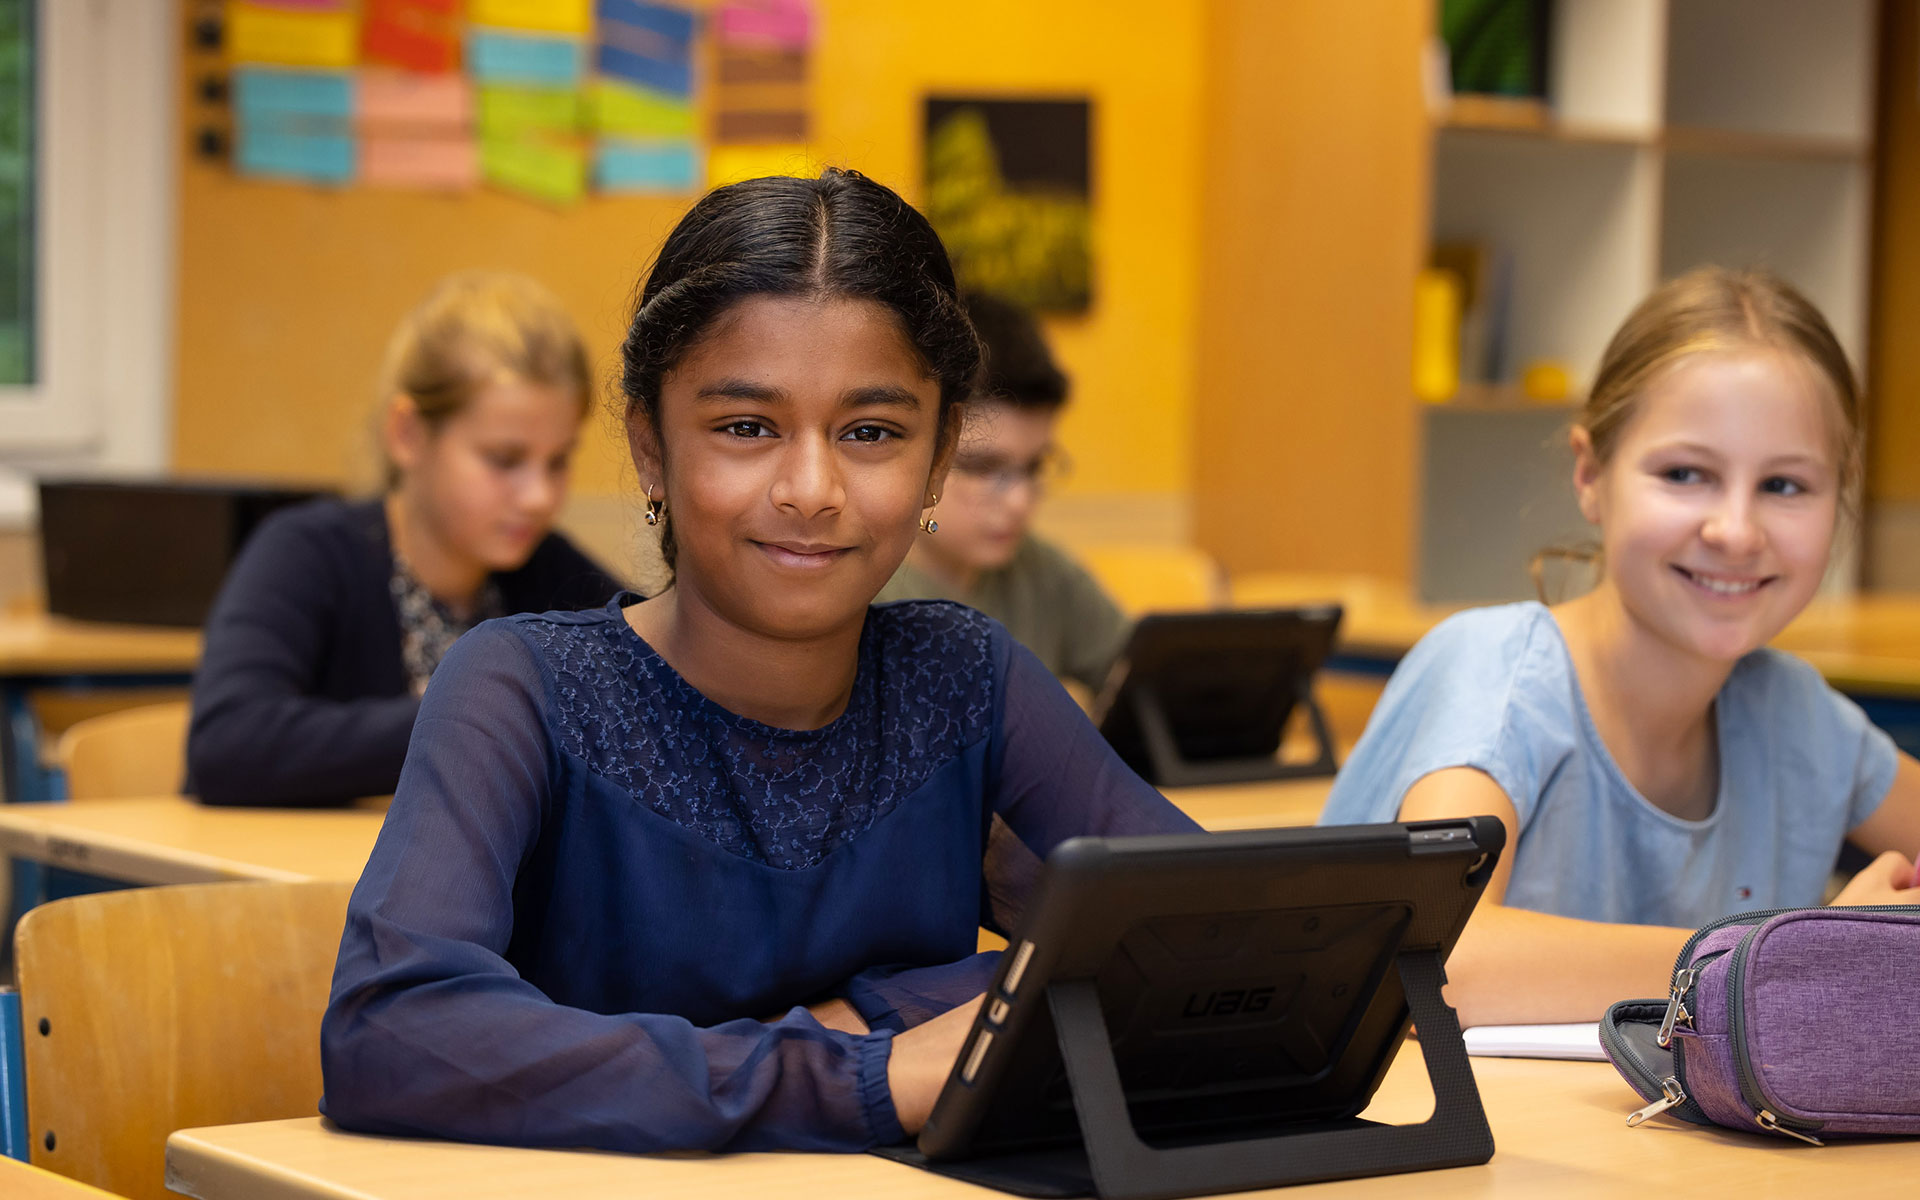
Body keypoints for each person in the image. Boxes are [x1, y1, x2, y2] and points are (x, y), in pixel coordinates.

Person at [318, 170, 1199, 1154]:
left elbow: (1217, 947)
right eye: (746, 428)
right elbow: (390, 1036)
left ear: (941, 450)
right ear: (651, 446)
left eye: (872, 432)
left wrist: (865, 1017)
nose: (812, 488)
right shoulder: (524, 688)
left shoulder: (963, 678)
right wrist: (860, 1071)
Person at [1320, 267, 1920, 1027]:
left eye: (1786, 486)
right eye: (1685, 474)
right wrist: (1789, 956)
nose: (1735, 530)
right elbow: (1442, 956)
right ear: (1591, 474)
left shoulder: (1794, 714)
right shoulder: (1497, 676)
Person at [186, 271, 620, 807]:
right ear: (408, 435)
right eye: (504, 460)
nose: (537, 496)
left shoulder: (547, 569)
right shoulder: (307, 552)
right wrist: (478, 714)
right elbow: (227, 747)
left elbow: (658, 676)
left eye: (557, 462)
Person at [875, 291, 1128, 693]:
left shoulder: (1043, 572)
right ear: (924, 450)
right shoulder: (861, 588)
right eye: (984, 466)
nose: (1019, 501)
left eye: (1033, 467)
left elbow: (1139, 682)